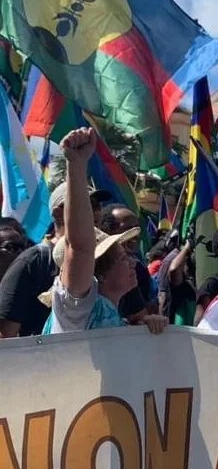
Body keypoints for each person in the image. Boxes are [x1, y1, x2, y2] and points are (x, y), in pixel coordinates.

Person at [43, 128, 167, 335]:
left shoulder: (114, 316)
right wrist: (76, 163)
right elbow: (80, 248)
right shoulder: (76, 309)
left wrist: (144, 330)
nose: (133, 261)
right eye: (121, 258)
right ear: (97, 273)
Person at [0, 183, 67, 337]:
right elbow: (5, 338)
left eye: (23, 246)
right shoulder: (35, 261)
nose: (22, 253)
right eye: (12, 247)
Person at [98, 203, 157, 322]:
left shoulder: (136, 270)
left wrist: (151, 322)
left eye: (137, 228)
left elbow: (141, 315)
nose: (135, 234)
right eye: (128, 229)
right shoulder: (88, 305)